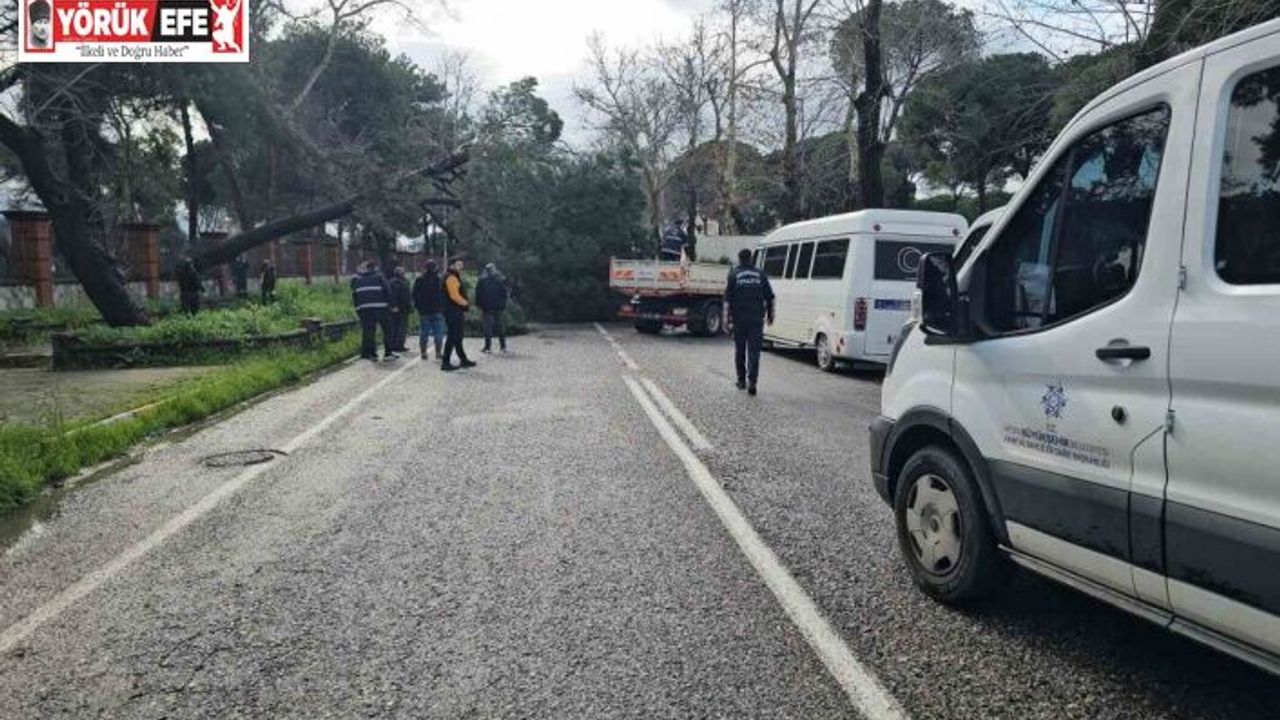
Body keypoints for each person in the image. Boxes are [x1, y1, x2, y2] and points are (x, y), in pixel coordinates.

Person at [725, 248, 775, 396]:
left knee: (740, 350)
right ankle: (752, 382)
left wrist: (726, 320)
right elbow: (770, 297)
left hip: (739, 319)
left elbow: (727, 299)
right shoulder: (760, 274)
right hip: (756, 319)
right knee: (754, 351)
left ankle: (741, 381)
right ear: (751, 259)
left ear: (740, 259)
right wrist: (771, 315)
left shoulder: (734, 274)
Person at [351, 261, 397, 361]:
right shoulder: (379, 277)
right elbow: (387, 290)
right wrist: (393, 305)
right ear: (375, 268)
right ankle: (388, 353)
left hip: (363, 309)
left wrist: (357, 308)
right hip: (380, 307)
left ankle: (370, 353)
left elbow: (354, 295)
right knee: (388, 329)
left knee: (369, 331)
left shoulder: (358, 280)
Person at [441, 257, 476, 372]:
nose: (461, 267)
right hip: (453, 311)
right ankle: (445, 363)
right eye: (459, 264)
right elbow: (454, 296)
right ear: (452, 265)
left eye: (461, 264)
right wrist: (465, 303)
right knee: (453, 337)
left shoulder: (452, 276)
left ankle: (463, 359)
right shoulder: (451, 277)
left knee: (457, 337)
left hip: (453, 310)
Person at [412, 260, 446, 360]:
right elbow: (444, 295)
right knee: (439, 333)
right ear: (435, 268)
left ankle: (423, 353)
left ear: (426, 268)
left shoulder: (419, 280)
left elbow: (414, 295)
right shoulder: (440, 280)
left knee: (424, 333)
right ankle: (438, 353)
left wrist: (418, 307)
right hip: (437, 310)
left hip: (424, 311)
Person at [475, 263, 509, 354]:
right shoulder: (499, 281)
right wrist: (502, 305)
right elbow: (505, 294)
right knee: (500, 327)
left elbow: (478, 295)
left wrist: (479, 305)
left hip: (487, 308)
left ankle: (488, 347)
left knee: (488, 328)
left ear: (486, 270)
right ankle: (503, 347)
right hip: (498, 308)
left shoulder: (481, 281)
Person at [387, 265, 412, 353]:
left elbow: (389, 295)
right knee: (402, 328)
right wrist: (409, 307)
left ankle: (392, 345)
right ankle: (399, 345)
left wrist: (391, 305)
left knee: (393, 327)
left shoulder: (390, 282)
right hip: (403, 309)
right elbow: (407, 297)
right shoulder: (405, 282)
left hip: (392, 308)